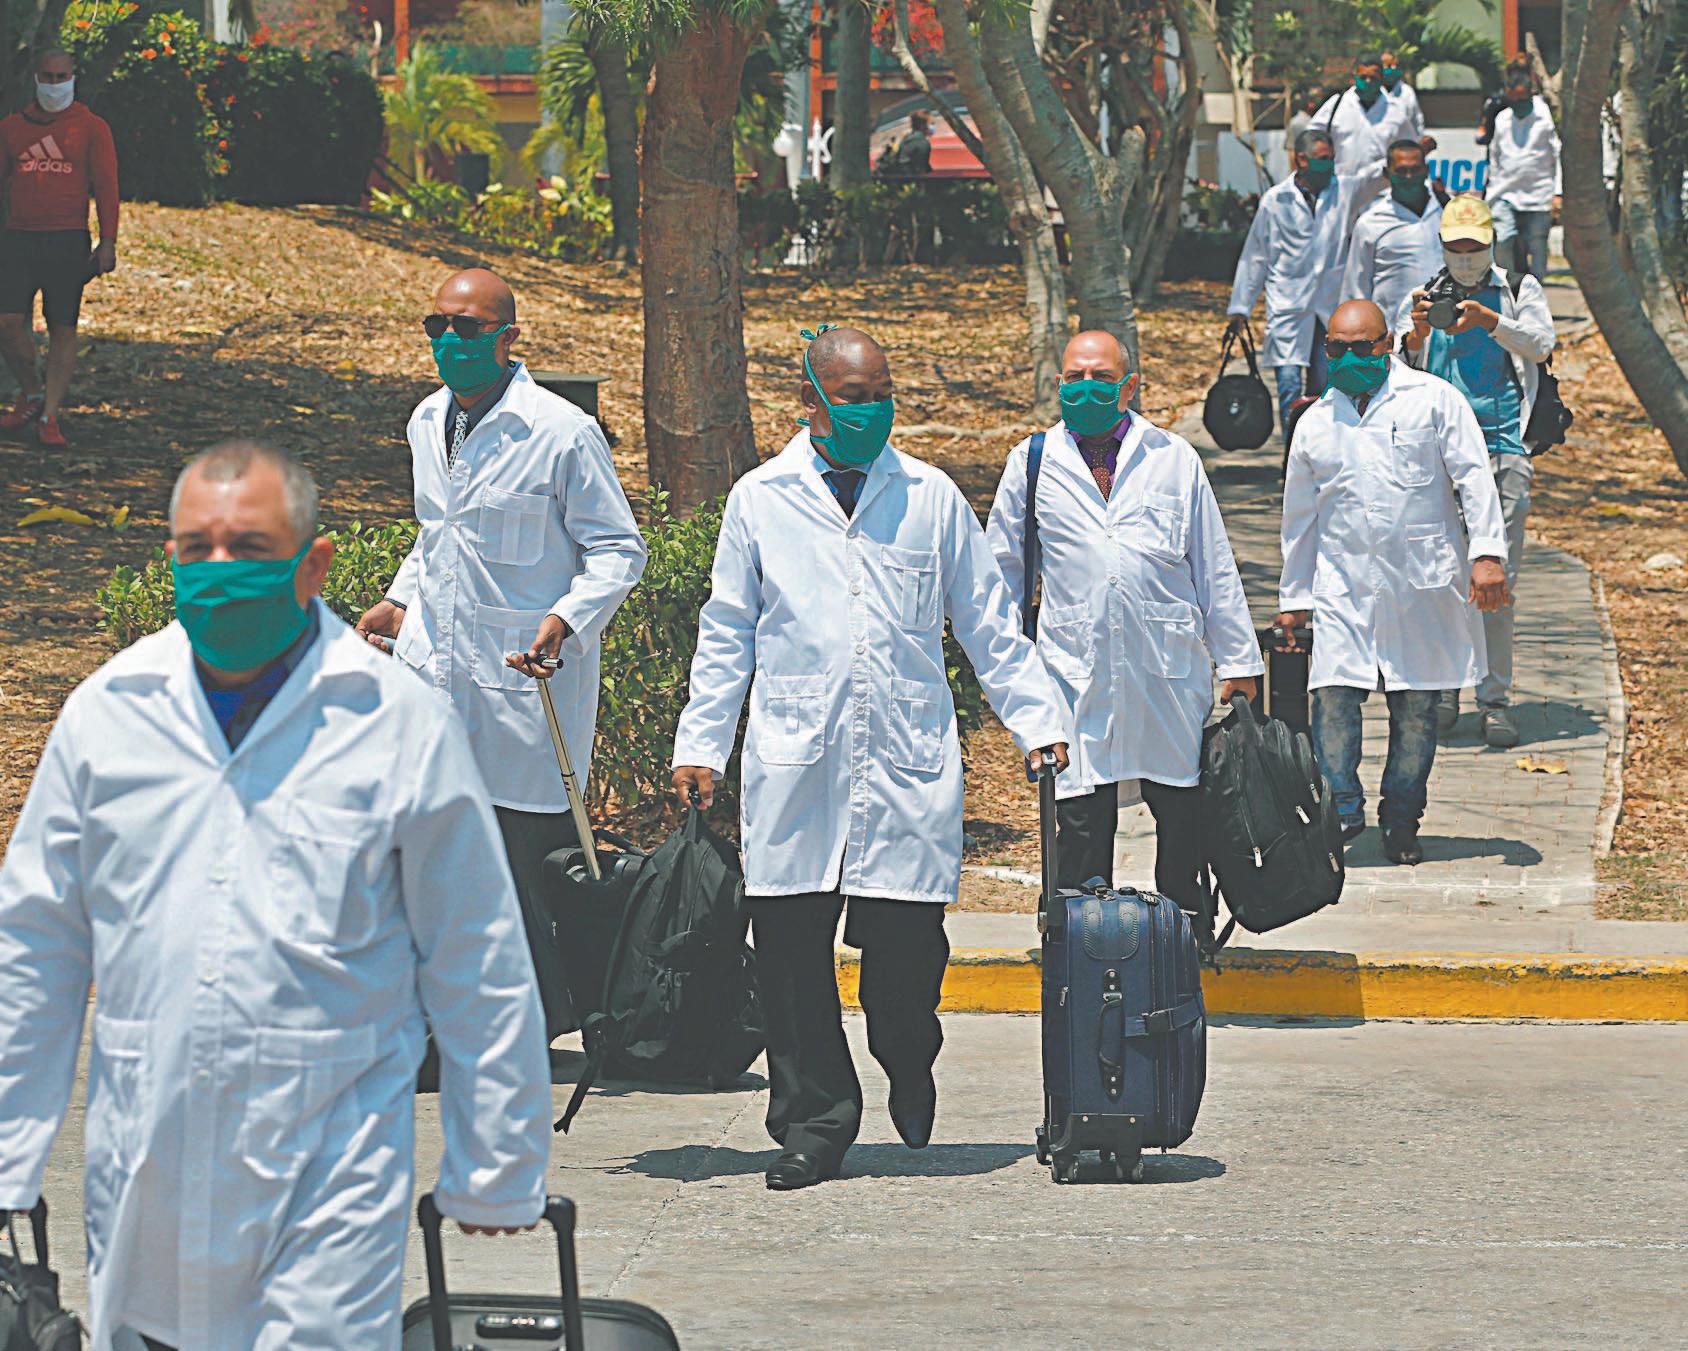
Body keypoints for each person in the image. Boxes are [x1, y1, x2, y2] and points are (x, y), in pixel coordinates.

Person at [0, 442, 551, 1349]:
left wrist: (496, 1158)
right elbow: (35, 945)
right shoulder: (110, 713)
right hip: (149, 1165)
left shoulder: (394, 720)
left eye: (250, 548)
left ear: (314, 563)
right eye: (198, 549)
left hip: (328, 1167)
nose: (221, 570)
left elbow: (474, 949)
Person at [671, 326, 1069, 1192]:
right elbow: (727, 629)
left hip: (904, 758)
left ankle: (908, 1052)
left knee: (906, 958)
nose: (872, 411)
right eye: (854, 397)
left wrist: (1038, 720)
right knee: (790, 955)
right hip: (796, 758)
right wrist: (702, 743)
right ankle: (813, 1122)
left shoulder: (930, 497)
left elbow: (988, 622)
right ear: (809, 402)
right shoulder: (760, 499)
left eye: (883, 394)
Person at [357, 268, 647, 1046]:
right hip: (435, 677)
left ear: (508, 338)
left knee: (523, 874)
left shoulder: (560, 432)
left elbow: (618, 549)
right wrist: (399, 600)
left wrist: (566, 618)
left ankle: (532, 1025)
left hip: (523, 685)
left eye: (468, 328)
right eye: (437, 327)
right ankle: (445, 1031)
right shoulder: (427, 421)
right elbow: (438, 537)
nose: (450, 341)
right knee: (434, 863)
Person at [985, 330, 1261, 911]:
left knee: (1182, 825)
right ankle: (1080, 947)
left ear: (1129, 387)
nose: (1086, 389)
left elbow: (1213, 565)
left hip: (1167, 677)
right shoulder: (1032, 463)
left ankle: (1187, 940)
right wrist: (1013, 683)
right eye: (1075, 378)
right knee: (1081, 828)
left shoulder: (1172, 458)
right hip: (1073, 679)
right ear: (1058, 384)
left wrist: (1239, 661)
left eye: (1102, 378)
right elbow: (1001, 580)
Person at [1277, 300, 1510, 865]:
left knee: (1416, 711)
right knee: (1331, 701)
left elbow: (1475, 478)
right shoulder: (1315, 422)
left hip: (1420, 587)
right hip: (1343, 588)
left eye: (1361, 347)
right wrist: (1294, 599)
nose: (1348, 358)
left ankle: (1402, 819)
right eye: (1336, 349)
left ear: (1387, 344)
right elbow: (1299, 520)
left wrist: (1486, 554)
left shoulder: (1434, 399)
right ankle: (1342, 811)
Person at [1394, 195, 1556, 747]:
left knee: (1495, 581)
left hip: (1503, 447)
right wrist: (1415, 336)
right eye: (1455, 247)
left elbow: (1541, 344)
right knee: (1442, 580)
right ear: (1441, 246)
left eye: (1474, 247)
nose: (1465, 257)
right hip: (1437, 456)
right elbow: (1396, 368)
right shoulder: (1424, 295)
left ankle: (1495, 699)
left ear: (1491, 245)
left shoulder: (1518, 290)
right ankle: (1446, 691)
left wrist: (1492, 322)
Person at [1226, 128, 1386, 432]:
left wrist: (1405, 155)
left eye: (1332, 159)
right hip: (1289, 305)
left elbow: (1373, 178)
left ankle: (1323, 449)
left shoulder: (1343, 191)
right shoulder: (1276, 201)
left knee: (1327, 389)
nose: (1329, 166)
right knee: (1289, 388)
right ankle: (1292, 452)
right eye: (1323, 159)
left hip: (1329, 306)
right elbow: (1255, 256)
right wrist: (1240, 308)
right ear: (1301, 159)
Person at [0, 47, 118, 449]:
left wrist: (108, 240)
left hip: (67, 239)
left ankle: (49, 416)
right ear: (36, 79)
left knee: (62, 327)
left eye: (61, 77)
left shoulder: (91, 127)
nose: (54, 85)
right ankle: (32, 393)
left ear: (73, 77)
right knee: (7, 324)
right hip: (19, 237)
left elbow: (107, 186)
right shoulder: (11, 128)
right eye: (47, 77)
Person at [1341, 139, 1445, 335]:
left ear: (1426, 171)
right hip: (1393, 337)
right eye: (1401, 171)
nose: (1409, 177)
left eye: (1415, 170)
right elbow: (1356, 289)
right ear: (1387, 173)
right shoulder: (1369, 224)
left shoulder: (1448, 212)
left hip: (1447, 332)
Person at [1308, 52, 1428, 209]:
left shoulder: (1396, 111)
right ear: (1354, 77)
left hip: (1381, 194)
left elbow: (1409, 148)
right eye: (1363, 77)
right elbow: (1312, 137)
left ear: (1381, 79)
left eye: (1373, 78)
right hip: (1340, 191)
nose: (1368, 82)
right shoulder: (1337, 105)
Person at [1483, 60, 1562, 280]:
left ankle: (1535, 288)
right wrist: (1494, 183)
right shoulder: (1502, 119)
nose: (1518, 104)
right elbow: (1495, 155)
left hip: (1539, 193)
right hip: (1505, 192)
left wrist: (1558, 192)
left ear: (1530, 94)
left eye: (1522, 99)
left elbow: (1558, 155)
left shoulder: (1545, 118)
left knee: (1537, 244)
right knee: (1504, 239)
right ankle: (1510, 285)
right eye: (1513, 100)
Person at [1378, 50, 1428, 142]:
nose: (1391, 69)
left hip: (1403, 144)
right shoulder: (1374, 92)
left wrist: (1418, 141)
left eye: (1394, 65)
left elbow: (1416, 120)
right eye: (1387, 65)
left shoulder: (1407, 92)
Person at [1284, 89, 1321, 161]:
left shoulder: (1305, 120)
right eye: (1313, 101)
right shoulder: (1299, 122)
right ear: (1309, 104)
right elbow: (1291, 150)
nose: (1316, 104)